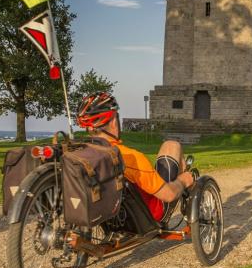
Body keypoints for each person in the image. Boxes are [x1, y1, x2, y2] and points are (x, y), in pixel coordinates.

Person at [76, 92, 194, 223]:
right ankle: (188, 193)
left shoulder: (84, 156)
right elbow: (168, 195)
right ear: (114, 122)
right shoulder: (130, 158)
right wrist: (183, 181)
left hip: (107, 215)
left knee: (170, 145)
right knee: (173, 145)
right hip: (150, 214)